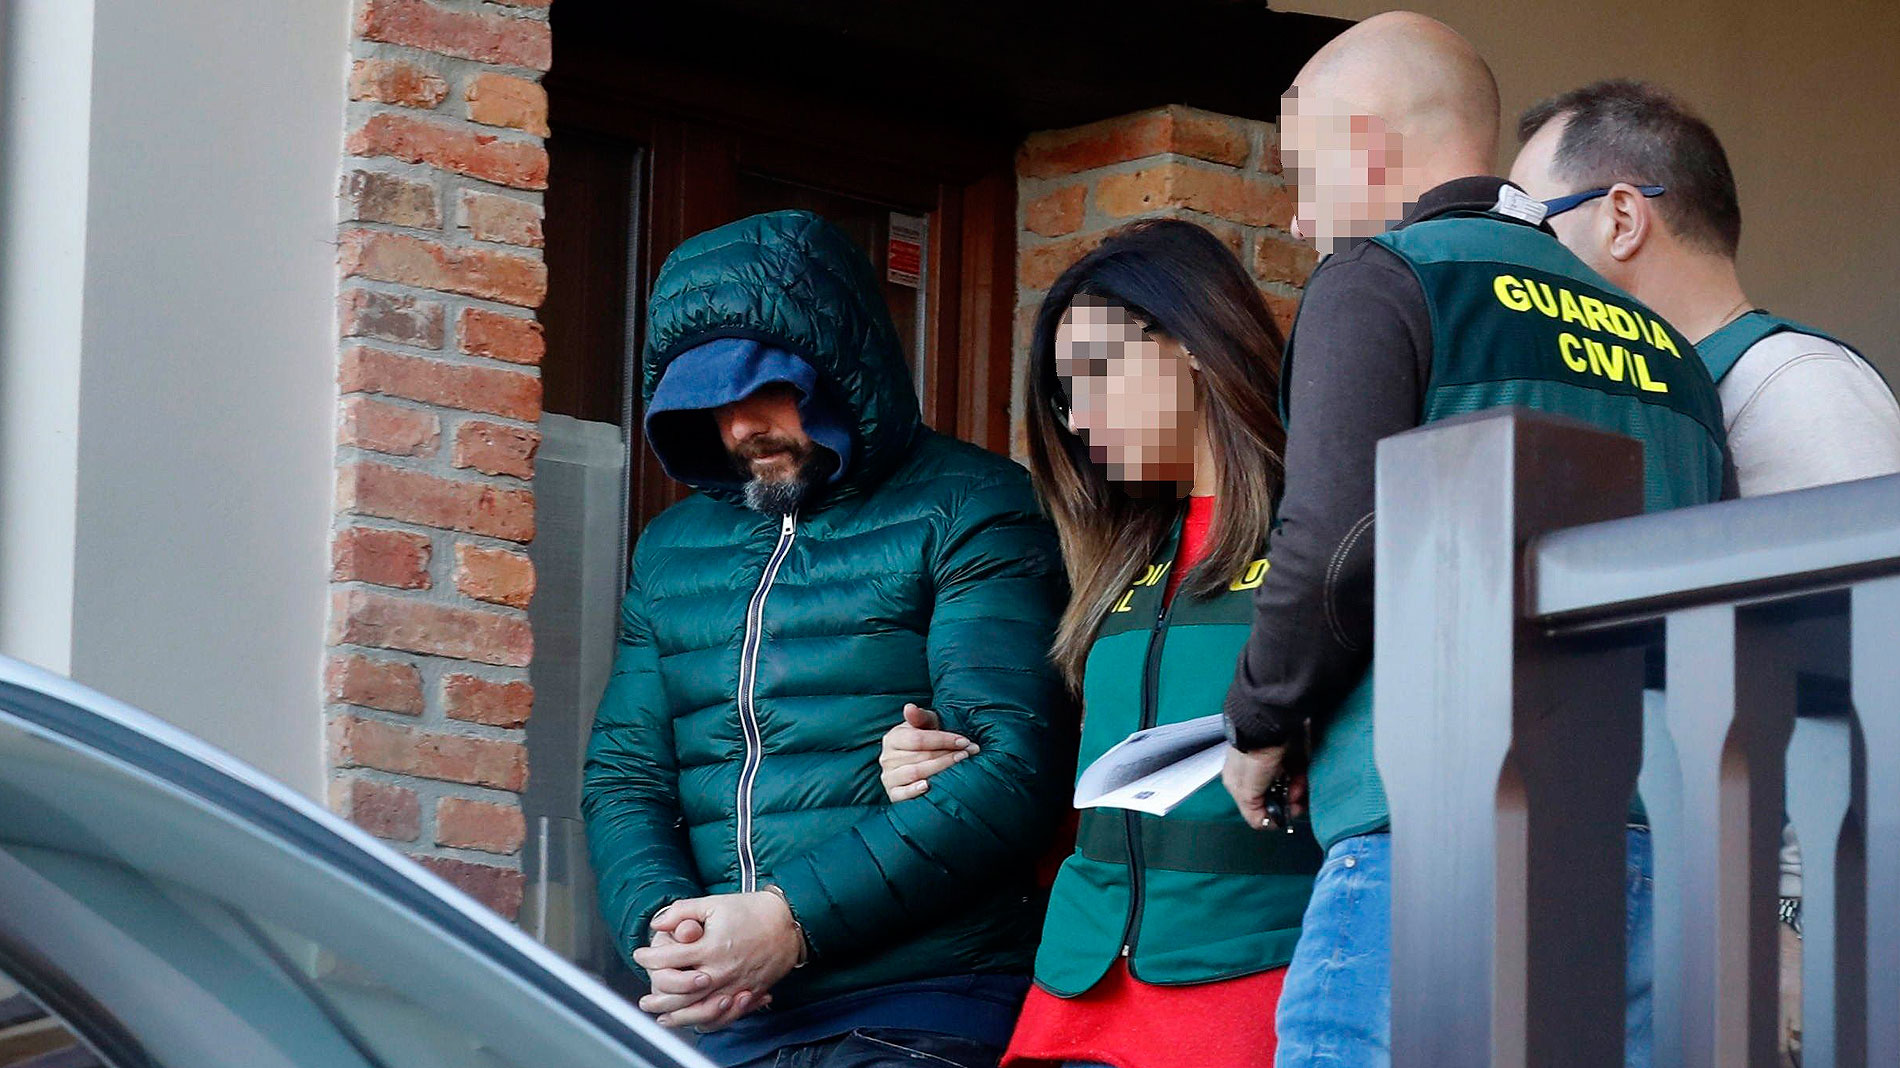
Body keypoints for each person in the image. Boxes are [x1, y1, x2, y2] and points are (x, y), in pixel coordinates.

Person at [1215, 14, 1731, 1067]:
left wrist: (1262, 720)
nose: (1304, 220)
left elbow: (1337, 544)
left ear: (1367, 143)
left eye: (1306, 178)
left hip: (1434, 843)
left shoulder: (1385, 278)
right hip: (1650, 860)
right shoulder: (1671, 351)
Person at [581, 209, 1071, 1068]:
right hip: (731, 1019)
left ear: (840, 363)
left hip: (924, 1003)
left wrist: (788, 922)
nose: (739, 427)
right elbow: (624, 777)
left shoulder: (974, 503)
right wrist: (669, 935)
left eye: (764, 388)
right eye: (709, 400)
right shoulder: (670, 549)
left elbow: (1009, 769)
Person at [1511, 78, 1900, 1064]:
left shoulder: (1794, 390)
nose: (1518, 260)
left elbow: (1877, 687)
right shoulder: (1666, 402)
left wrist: (1799, 924)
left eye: (1534, 226)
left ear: (1622, 218)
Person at [875, 218, 1324, 1068]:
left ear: (1189, 343)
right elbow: (1077, 787)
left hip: (1249, 992)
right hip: (1071, 995)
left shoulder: (1320, 538)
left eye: (1095, 372)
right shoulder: (1112, 561)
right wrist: (937, 761)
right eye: (1063, 395)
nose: (1078, 418)